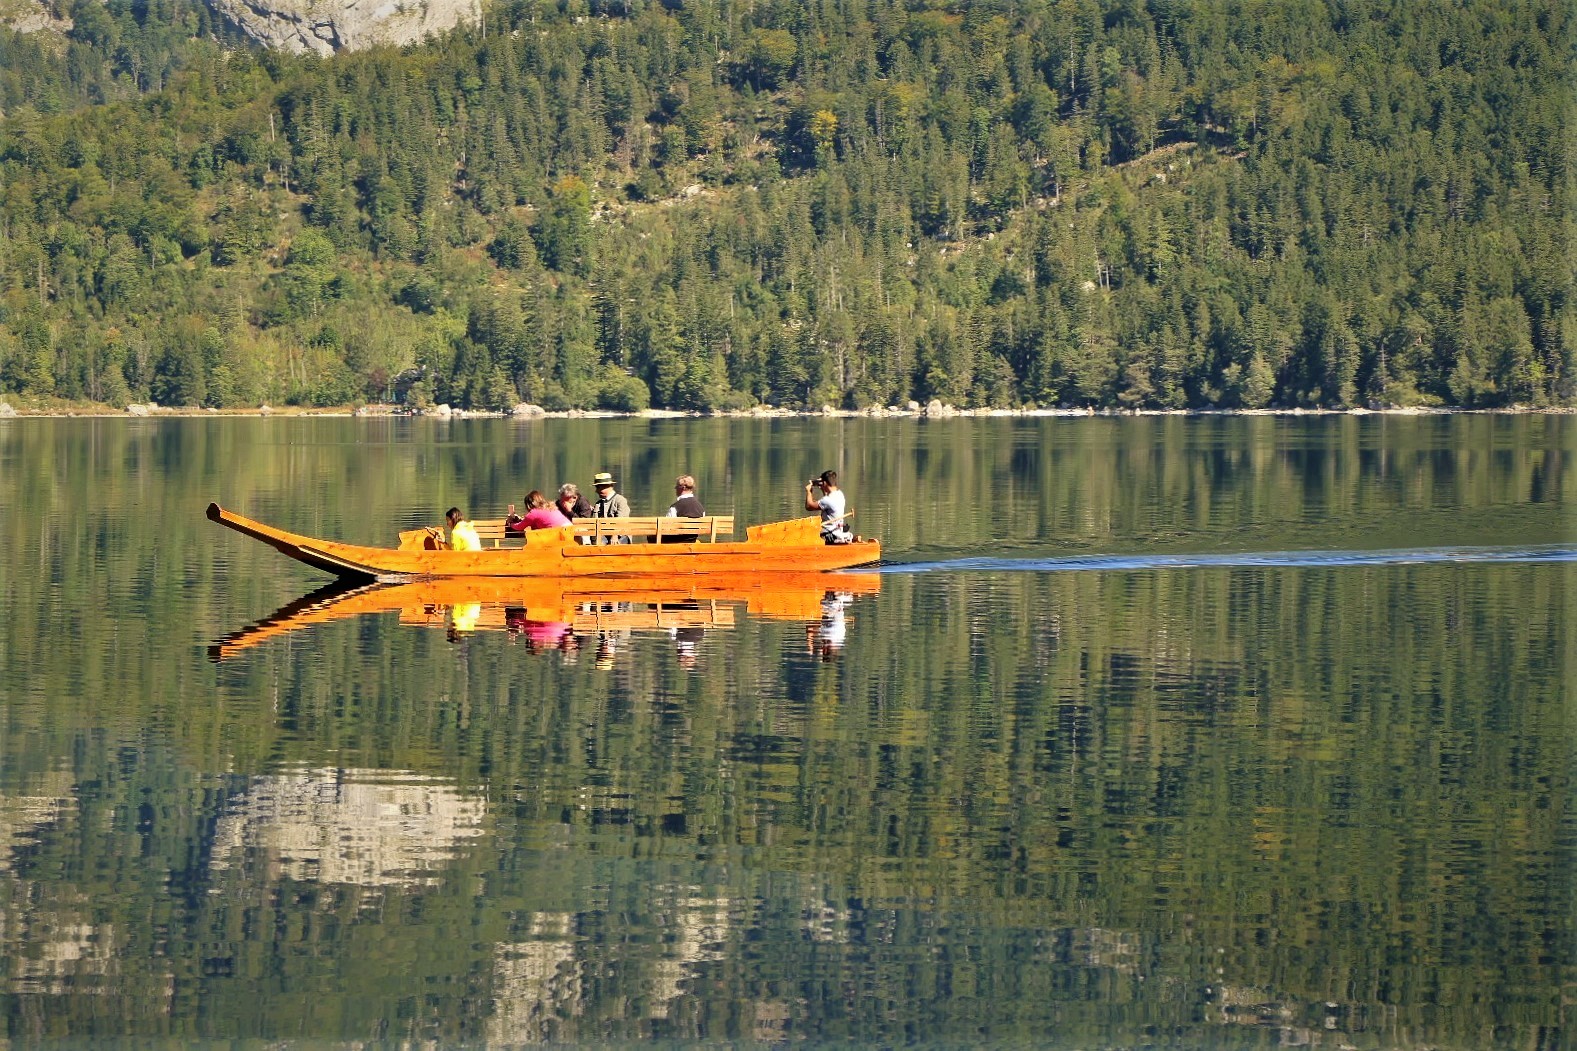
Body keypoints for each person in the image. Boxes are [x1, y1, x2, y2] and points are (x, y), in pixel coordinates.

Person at [804, 471, 857, 544]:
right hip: (837, 531)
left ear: (825, 483)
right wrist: (822, 488)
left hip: (828, 534)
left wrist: (809, 491)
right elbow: (827, 501)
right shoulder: (840, 494)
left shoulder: (828, 500)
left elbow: (809, 506)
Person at [661, 474, 705, 544]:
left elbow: (666, 528)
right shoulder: (701, 508)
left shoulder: (675, 507)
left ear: (682, 488)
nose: (675, 489)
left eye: (676, 487)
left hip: (675, 542)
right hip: (693, 541)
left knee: (651, 537)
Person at [591, 471, 631, 544]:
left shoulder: (620, 500)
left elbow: (621, 521)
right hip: (603, 535)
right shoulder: (598, 503)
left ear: (607, 486)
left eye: (598, 487)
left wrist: (615, 535)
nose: (596, 491)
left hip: (621, 535)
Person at [507, 490, 571, 533]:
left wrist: (510, 523)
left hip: (558, 534)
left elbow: (519, 527)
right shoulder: (551, 507)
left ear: (529, 504)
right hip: (569, 530)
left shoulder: (534, 512)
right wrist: (522, 520)